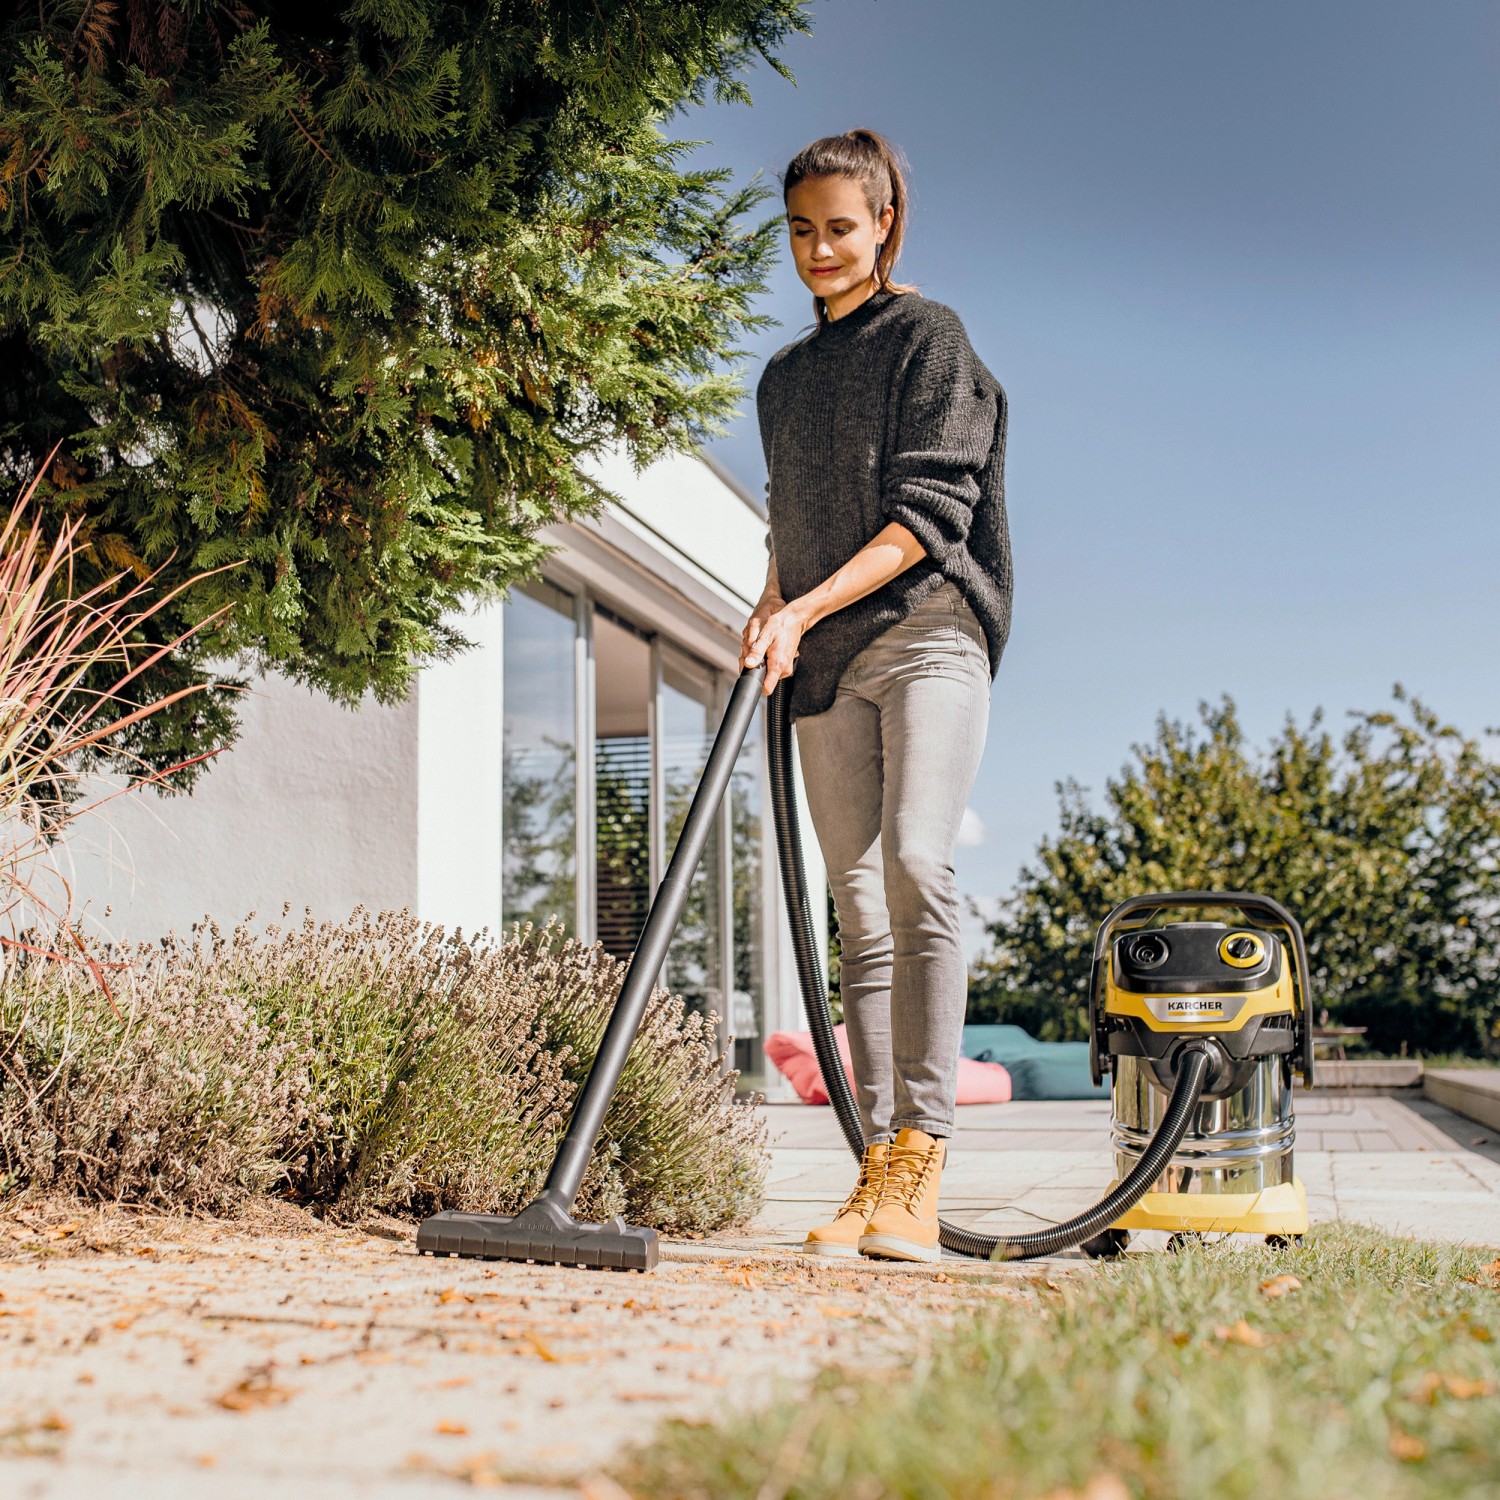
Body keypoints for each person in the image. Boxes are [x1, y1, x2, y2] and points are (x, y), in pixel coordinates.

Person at [741, 129, 1012, 1262]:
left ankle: (922, 1152)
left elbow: (927, 519)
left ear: (886, 221)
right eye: (801, 230)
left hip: (929, 632)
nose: (819, 248)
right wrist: (773, 602)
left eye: (841, 227)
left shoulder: (928, 339)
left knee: (913, 863)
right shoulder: (784, 378)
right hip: (825, 661)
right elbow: (793, 520)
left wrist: (805, 606)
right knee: (855, 905)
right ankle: (876, 1174)